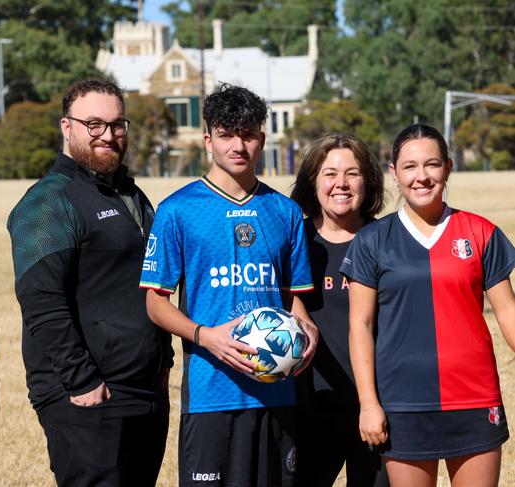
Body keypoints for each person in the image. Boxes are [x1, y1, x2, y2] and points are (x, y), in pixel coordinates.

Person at [140, 84, 318, 487]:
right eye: (226, 134)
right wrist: (205, 337)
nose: (239, 145)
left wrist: (307, 328)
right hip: (210, 392)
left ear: (263, 137)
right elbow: (155, 302)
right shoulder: (177, 210)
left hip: (277, 391)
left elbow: (294, 300)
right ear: (208, 140)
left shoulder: (285, 212)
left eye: (249, 133)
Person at [7, 79, 172, 487]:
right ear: (67, 127)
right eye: (94, 124)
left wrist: (162, 365)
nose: (108, 135)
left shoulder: (130, 195)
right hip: (87, 396)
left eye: (117, 125)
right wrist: (82, 381)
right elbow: (41, 300)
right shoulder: (50, 201)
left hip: (144, 390)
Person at [342, 123, 515, 487]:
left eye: (432, 165)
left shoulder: (481, 232)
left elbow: (507, 312)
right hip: (402, 404)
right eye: (409, 166)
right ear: (394, 173)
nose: (421, 177)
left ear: (448, 168)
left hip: (474, 398)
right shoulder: (373, 240)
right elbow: (360, 326)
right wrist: (369, 403)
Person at [291, 133, 389, 487]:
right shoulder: (294, 241)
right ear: (312, 181)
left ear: (369, 181)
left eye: (353, 173)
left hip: (379, 409)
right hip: (310, 407)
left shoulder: (387, 239)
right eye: (329, 173)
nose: (341, 184)